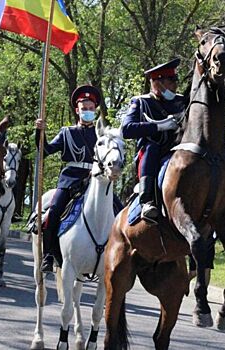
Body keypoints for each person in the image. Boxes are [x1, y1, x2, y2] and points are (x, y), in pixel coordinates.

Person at [34, 84, 105, 273]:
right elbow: (46, 150)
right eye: (84, 109)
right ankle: (49, 254)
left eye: (91, 109)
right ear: (77, 110)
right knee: (53, 212)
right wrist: (40, 132)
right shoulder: (67, 132)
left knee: (118, 210)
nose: (88, 112)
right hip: (71, 179)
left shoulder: (102, 134)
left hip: (96, 180)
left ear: (95, 109)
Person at [121, 59, 186, 224]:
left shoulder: (181, 101)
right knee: (152, 147)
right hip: (153, 155)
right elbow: (126, 129)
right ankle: (147, 200)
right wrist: (158, 127)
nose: (174, 86)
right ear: (157, 84)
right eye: (170, 82)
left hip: (179, 148)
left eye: (175, 81)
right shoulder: (141, 102)